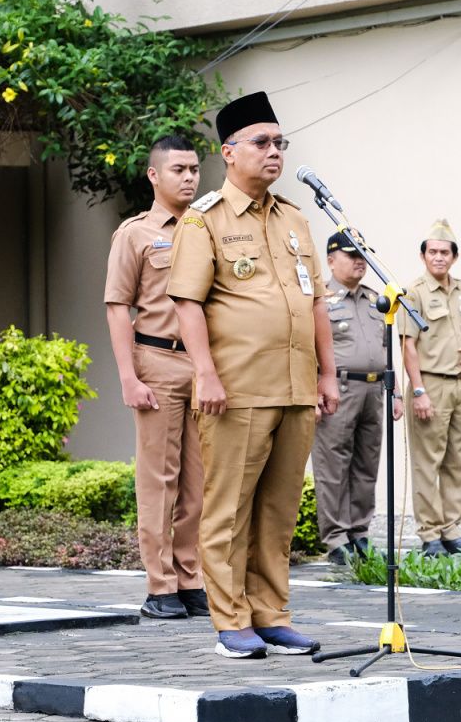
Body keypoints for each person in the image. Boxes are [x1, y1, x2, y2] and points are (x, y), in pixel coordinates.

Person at [167, 91, 339, 659]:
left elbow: (314, 302)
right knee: (229, 506)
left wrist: (327, 376)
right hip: (236, 387)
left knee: (280, 508)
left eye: (279, 142)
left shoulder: (294, 218)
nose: (274, 152)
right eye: (262, 142)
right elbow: (188, 304)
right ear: (229, 151)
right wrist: (205, 374)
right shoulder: (205, 219)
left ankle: (272, 613)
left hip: (294, 385)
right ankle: (231, 619)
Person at [104, 135, 208, 620]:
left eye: (194, 169)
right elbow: (117, 307)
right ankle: (160, 584)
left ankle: (191, 578)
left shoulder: (207, 228)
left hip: (204, 366)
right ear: (154, 175)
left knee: (199, 482)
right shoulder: (136, 234)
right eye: (179, 170)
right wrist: (128, 377)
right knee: (159, 480)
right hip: (158, 364)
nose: (189, 177)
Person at [312, 231, 403, 565]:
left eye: (362, 255)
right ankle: (336, 538)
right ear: (332, 259)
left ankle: (359, 532)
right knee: (333, 465)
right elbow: (309, 349)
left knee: (367, 463)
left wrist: (397, 393)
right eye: (351, 255)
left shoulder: (374, 299)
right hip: (339, 388)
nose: (359, 261)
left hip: (374, 389)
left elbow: (385, 348)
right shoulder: (320, 299)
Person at [400, 219, 461, 555]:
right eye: (432, 252)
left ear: (454, 256)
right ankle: (430, 533)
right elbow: (408, 345)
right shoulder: (414, 292)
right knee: (427, 462)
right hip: (430, 384)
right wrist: (418, 390)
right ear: (423, 256)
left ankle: (452, 527)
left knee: (457, 460)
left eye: (444, 252)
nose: (438, 258)